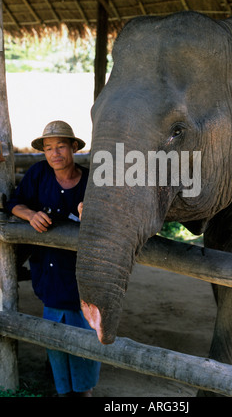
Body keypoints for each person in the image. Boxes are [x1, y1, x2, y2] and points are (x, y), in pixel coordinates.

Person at [6, 121, 100, 397]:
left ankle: (84, 390)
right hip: (48, 270)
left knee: (86, 338)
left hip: (83, 275)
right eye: (48, 148)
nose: (54, 153)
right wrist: (30, 215)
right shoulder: (38, 175)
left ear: (74, 148)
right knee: (54, 335)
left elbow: (111, 221)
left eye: (61, 146)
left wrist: (91, 215)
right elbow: (14, 203)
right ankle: (63, 389)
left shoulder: (92, 181)